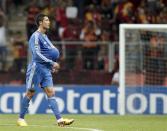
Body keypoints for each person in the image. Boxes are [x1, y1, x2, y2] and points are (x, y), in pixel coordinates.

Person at [17, 14, 74, 127]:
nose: (49, 22)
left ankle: (60, 120)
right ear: (40, 22)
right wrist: (52, 62)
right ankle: (20, 119)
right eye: (46, 20)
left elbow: (49, 52)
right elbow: (37, 54)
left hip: (46, 69)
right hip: (36, 68)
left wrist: (50, 65)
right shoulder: (35, 36)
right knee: (30, 92)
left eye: (49, 20)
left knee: (51, 93)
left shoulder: (45, 36)